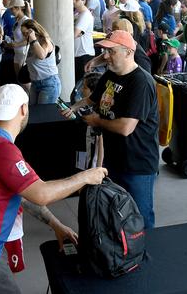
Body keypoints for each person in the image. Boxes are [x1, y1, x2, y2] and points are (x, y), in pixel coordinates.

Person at [0, 84, 107, 293]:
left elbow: (23, 194)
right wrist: (85, 177)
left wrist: (55, 224)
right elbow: (41, 193)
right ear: (23, 109)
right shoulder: (2, 149)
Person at [65, 30, 159, 228]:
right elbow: (93, 98)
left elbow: (126, 127)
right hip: (114, 160)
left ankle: (146, 255)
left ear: (127, 52)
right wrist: (73, 107)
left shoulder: (141, 82)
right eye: (104, 51)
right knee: (116, 214)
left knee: (139, 217)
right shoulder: (110, 75)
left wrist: (97, 121)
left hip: (137, 163)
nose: (105, 56)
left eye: (111, 51)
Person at [21, 19, 61, 104]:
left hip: (48, 83)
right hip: (35, 83)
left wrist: (33, 39)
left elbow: (41, 56)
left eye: (26, 33)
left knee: (43, 114)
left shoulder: (45, 41)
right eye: (23, 33)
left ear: (34, 31)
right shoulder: (32, 44)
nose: (24, 36)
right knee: (34, 112)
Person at [73, 0, 96, 82]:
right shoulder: (78, 14)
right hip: (79, 53)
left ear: (84, 1)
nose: (73, 1)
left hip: (83, 54)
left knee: (80, 84)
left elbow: (75, 34)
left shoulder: (85, 15)